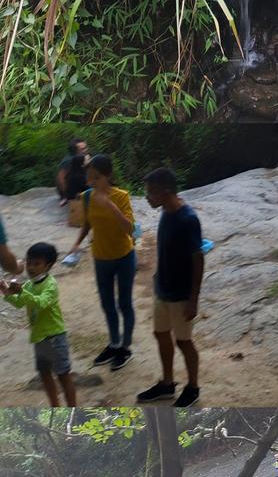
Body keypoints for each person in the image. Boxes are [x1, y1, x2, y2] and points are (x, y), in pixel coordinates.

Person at [137, 168, 203, 408]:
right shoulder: (165, 211)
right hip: (162, 289)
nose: (147, 197)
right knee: (160, 334)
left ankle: (193, 387)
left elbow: (198, 258)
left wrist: (193, 298)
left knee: (184, 341)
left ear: (166, 192)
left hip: (180, 295)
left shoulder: (187, 219)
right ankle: (167, 383)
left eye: (151, 192)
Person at [69, 154, 136, 371]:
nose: (91, 182)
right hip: (101, 258)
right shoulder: (87, 197)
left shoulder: (121, 196)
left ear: (108, 176)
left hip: (124, 257)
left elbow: (130, 229)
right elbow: (88, 224)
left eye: (96, 178)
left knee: (124, 304)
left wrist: (110, 206)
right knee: (107, 304)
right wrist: (77, 244)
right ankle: (114, 344)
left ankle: (125, 348)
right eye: (89, 178)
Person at [0, 242, 76, 409]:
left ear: (48, 265)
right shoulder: (28, 285)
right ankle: (55, 407)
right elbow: (20, 303)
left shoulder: (50, 284)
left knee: (63, 375)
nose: (30, 267)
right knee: (45, 375)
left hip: (55, 336)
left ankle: (73, 409)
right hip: (39, 338)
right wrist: (6, 292)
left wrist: (21, 292)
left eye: (36, 264)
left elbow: (41, 303)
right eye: (28, 262)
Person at [56, 137, 89, 206]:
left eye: (86, 147)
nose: (86, 150)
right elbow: (60, 178)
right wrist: (67, 194)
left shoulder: (82, 157)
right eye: (82, 149)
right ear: (75, 150)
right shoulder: (69, 160)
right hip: (70, 190)